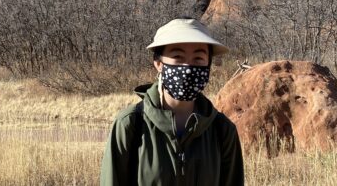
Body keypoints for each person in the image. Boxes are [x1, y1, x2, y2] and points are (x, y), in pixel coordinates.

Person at [100, 18, 244, 185]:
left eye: (198, 58)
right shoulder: (130, 125)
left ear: (209, 64)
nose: (188, 67)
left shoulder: (223, 131)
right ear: (159, 63)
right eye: (178, 56)